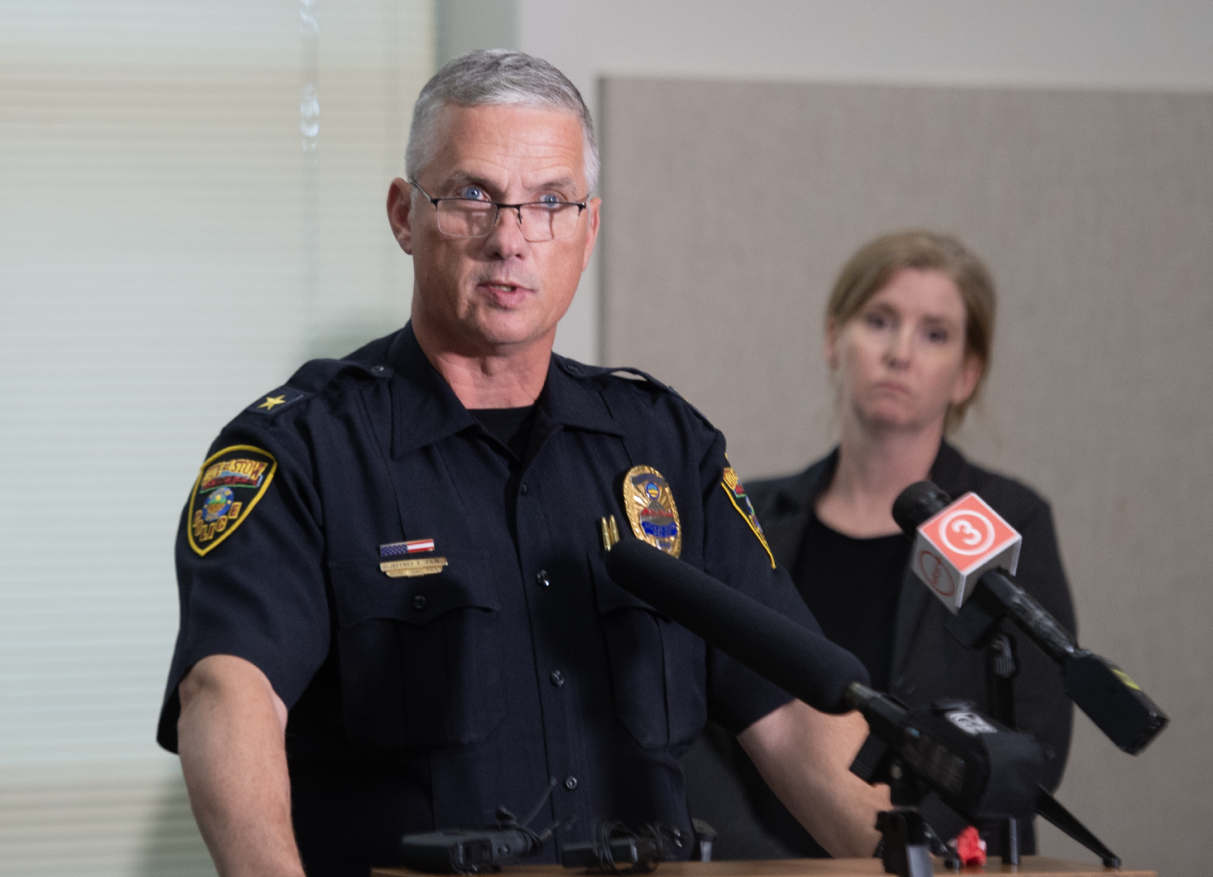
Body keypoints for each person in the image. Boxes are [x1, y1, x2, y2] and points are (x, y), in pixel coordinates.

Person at [157, 50, 889, 877]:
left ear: (589, 227)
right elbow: (228, 694)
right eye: (473, 194)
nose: (511, 239)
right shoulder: (302, 452)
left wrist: (926, 861)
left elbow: (793, 717)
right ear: (405, 214)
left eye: (550, 202)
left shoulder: (664, 446)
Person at [683, 230, 1077, 858]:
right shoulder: (749, 513)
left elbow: (1034, 734)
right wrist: (759, 863)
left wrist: (904, 861)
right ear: (834, 339)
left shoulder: (1007, 520)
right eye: (880, 321)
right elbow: (694, 714)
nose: (900, 352)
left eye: (934, 334)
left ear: (967, 374)